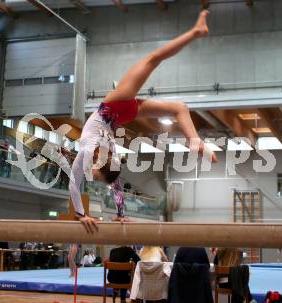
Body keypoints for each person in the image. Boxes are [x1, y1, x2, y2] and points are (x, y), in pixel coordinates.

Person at [69, 10, 217, 233]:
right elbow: (111, 183)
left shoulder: (97, 153)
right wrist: (105, 214)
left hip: (121, 112)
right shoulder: (98, 154)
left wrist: (83, 214)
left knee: (178, 107)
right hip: (117, 108)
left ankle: (196, 141)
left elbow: (76, 183)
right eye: (95, 173)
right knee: (154, 61)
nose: (90, 173)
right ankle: (194, 140)